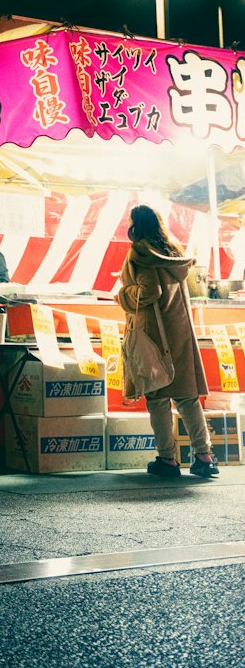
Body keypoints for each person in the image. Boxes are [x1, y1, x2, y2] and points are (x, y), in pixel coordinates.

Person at [117, 204, 218, 481]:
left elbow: (149, 291)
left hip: (155, 335)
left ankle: (167, 459)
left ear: (136, 226)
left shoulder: (141, 253)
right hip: (180, 334)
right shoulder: (173, 251)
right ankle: (204, 457)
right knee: (187, 397)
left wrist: (123, 294)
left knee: (158, 398)